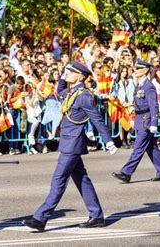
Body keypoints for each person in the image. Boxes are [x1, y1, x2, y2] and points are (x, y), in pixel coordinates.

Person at [23, 62, 117, 232]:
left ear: (80, 77)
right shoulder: (70, 91)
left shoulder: (83, 96)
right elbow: (59, 91)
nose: (69, 74)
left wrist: (108, 140)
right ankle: (96, 215)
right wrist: (63, 74)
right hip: (68, 142)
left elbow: (97, 119)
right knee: (82, 180)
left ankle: (40, 218)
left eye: (72, 72)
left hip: (72, 144)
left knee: (58, 180)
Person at [112, 59, 160, 183]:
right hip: (141, 119)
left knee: (138, 147)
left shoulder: (149, 86)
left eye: (138, 69)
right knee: (151, 147)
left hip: (147, 121)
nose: (135, 71)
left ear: (145, 71)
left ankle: (126, 173)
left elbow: (154, 106)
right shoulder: (139, 85)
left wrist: (154, 123)